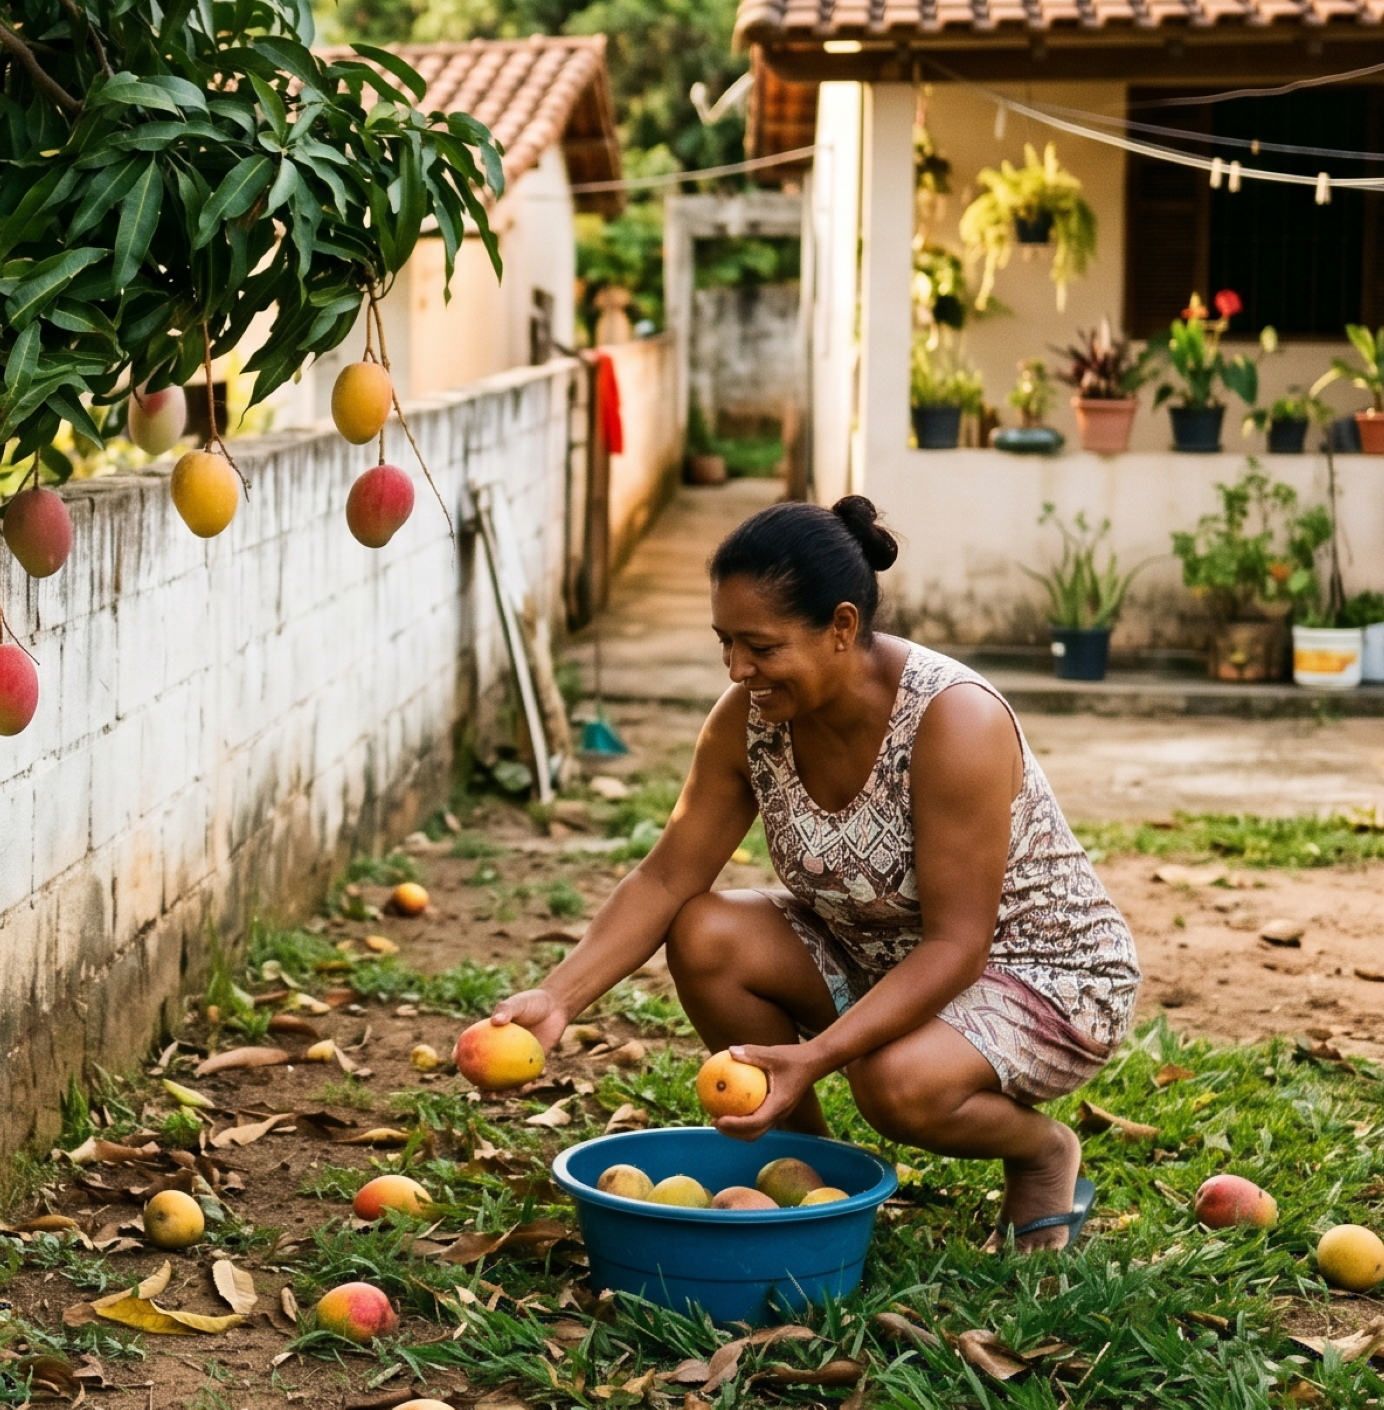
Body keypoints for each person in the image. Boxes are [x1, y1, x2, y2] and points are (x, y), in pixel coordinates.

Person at [484, 496, 1138, 1249]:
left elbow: (957, 944)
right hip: (881, 955)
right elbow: (667, 878)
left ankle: (1041, 1152)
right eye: (725, 642)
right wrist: (559, 997)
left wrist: (818, 1055)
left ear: (843, 627)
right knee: (704, 933)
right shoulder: (750, 719)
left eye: (759, 646)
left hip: (1038, 970)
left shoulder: (953, 720)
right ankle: (814, 1177)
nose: (737, 669)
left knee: (893, 1083)